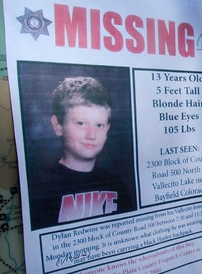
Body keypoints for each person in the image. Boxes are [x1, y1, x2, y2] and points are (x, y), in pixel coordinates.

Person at [29, 76, 136, 230]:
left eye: (99, 125)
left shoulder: (115, 183)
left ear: (107, 129)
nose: (91, 135)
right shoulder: (41, 186)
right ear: (58, 125)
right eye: (81, 123)